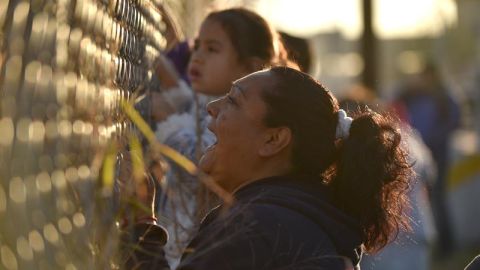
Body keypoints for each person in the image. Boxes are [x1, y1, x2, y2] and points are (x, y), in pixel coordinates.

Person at [121, 67, 414, 270]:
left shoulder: (255, 227)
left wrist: (141, 224)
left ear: (273, 140)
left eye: (233, 100)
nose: (213, 106)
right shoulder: (306, 220)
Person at [150, 8, 296, 266]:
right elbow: (186, 100)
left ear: (252, 68)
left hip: (186, 252)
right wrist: (161, 59)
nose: (197, 58)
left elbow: (197, 166)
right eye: (197, 47)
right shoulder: (209, 104)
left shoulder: (236, 126)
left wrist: (169, 123)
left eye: (212, 49)